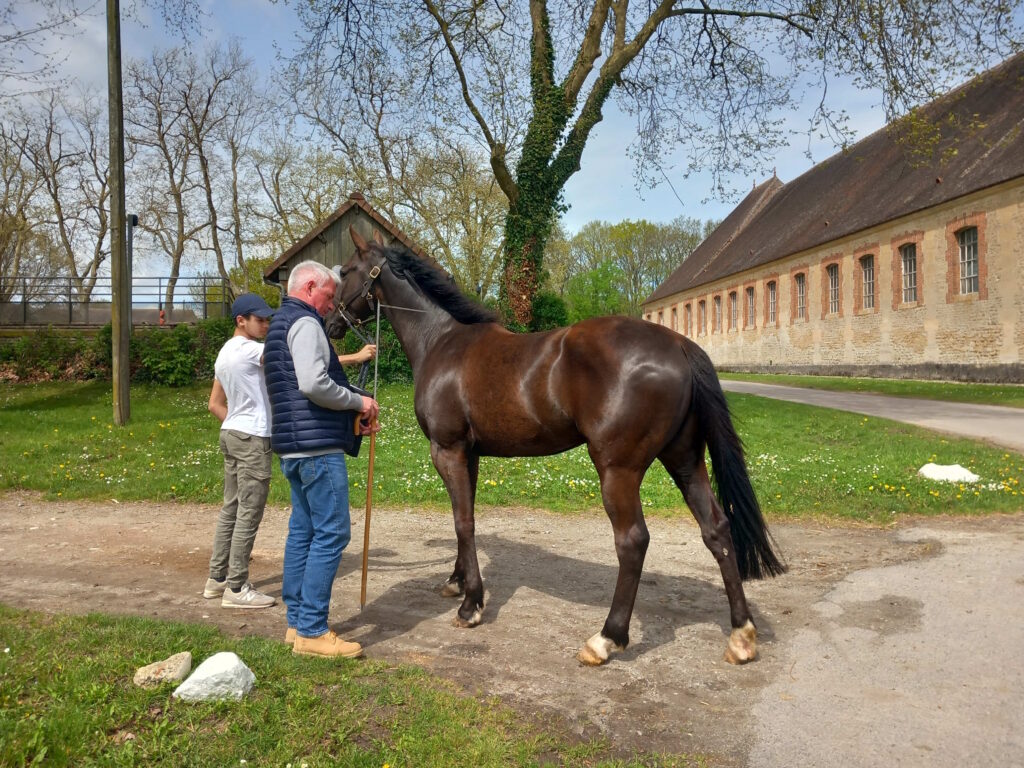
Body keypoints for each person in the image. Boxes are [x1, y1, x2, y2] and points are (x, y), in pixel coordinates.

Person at [263, 260, 380, 658]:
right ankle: (312, 629)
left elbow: (294, 388)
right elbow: (313, 384)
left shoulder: (280, 324)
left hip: (295, 447)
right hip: (316, 452)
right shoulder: (307, 323)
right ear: (310, 286)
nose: (331, 305)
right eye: (329, 296)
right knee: (332, 533)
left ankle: (297, 624)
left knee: (304, 530)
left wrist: (348, 420)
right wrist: (358, 401)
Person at [204, 293, 277, 609]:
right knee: (249, 512)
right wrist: (354, 358)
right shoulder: (249, 350)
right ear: (241, 321)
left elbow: (214, 404)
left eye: (266, 319)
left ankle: (216, 579)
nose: (266, 324)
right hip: (251, 439)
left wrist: (237, 423)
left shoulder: (223, 354)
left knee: (231, 509)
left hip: (231, 432)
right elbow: (298, 362)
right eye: (260, 319)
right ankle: (236, 588)